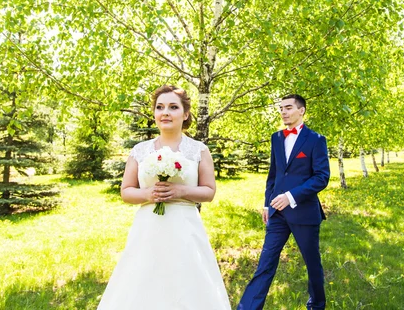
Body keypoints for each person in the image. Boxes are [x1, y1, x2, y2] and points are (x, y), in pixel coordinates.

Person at [98, 85, 230, 309]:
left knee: (186, 283)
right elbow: (126, 191)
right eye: (160, 107)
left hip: (185, 228)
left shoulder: (199, 150)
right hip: (149, 227)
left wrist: (181, 191)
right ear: (154, 114)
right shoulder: (140, 150)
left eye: (173, 107)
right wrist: (148, 194)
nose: (165, 112)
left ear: (185, 114)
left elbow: (209, 191)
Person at [238, 94, 330, 310]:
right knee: (265, 263)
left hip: (304, 213)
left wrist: (291, 196)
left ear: (302, 110)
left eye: (288, 107)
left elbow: (321, 177)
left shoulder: (316, 140)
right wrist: (267, 203)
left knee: (312, 264)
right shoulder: (276, 138)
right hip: (277, 214)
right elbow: (274, 175)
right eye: (281, 108)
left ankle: (316, 305)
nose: (283, 112)